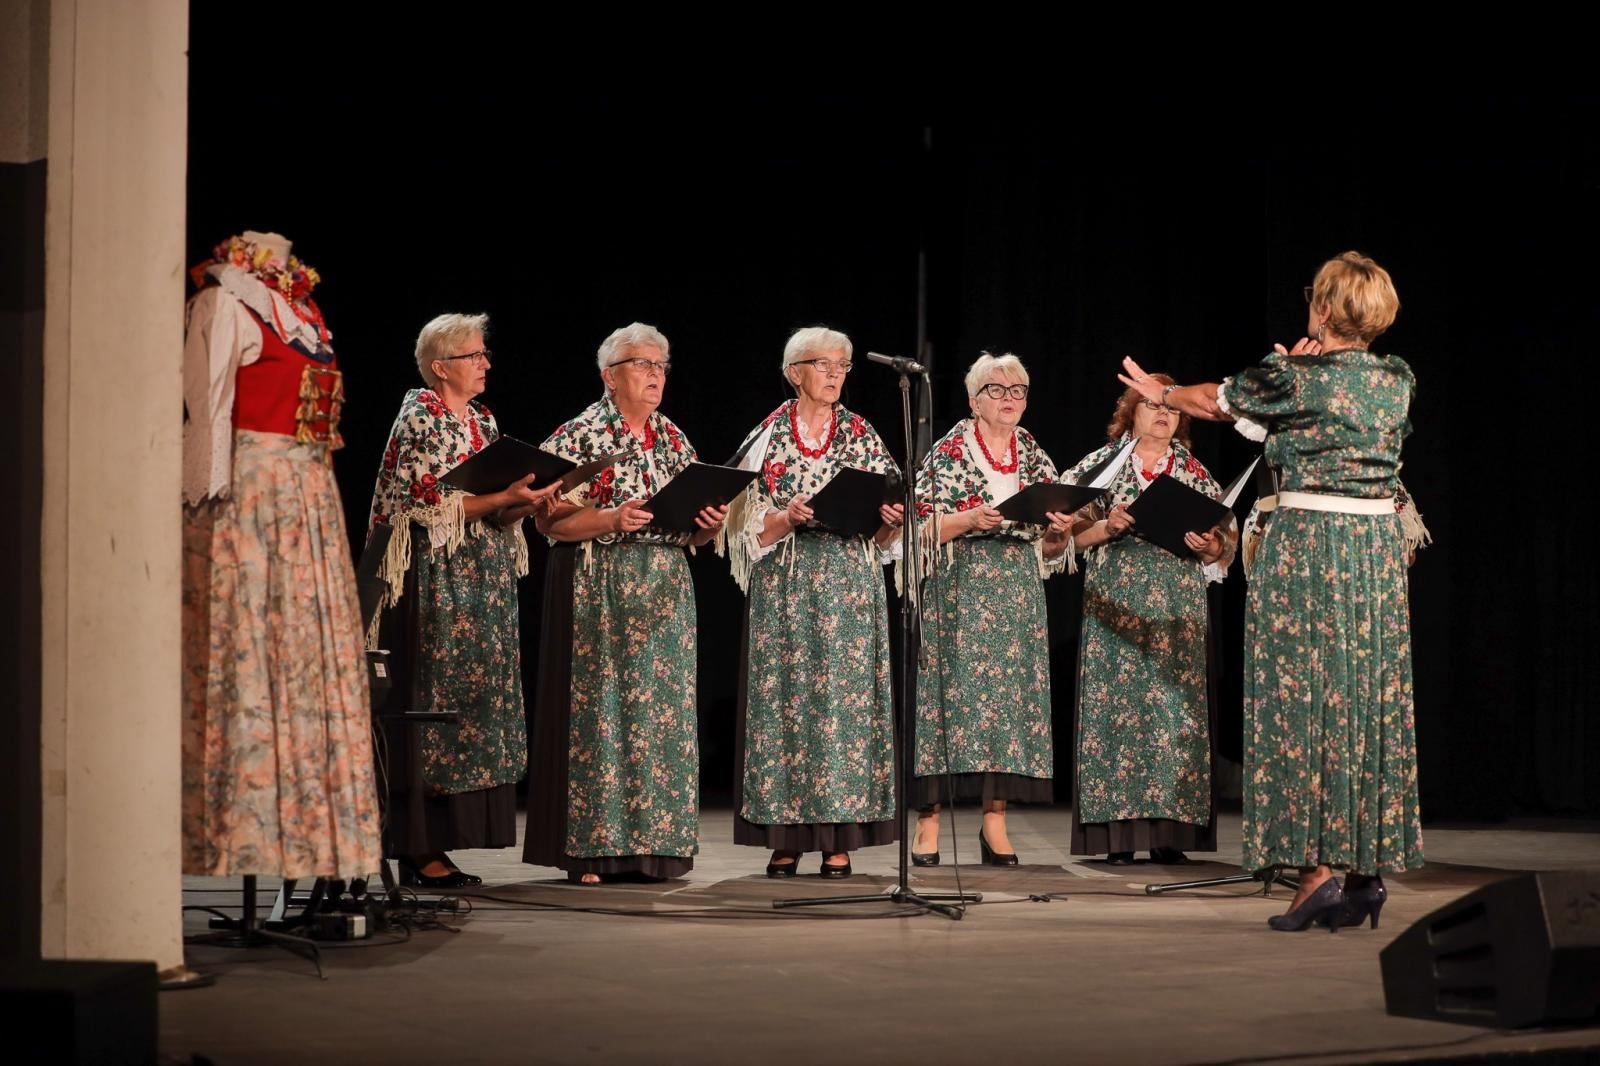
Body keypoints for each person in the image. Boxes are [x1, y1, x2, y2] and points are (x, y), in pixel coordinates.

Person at [1119, 250, 1423, 930]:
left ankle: (1315, 872)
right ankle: (1366, 869)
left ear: (1322, 308)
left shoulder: (1294, 376)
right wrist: (1291, 382)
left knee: (1301, 704)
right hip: (1373, 555)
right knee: (1362, 698)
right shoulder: (1396, 379)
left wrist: (1159, 393)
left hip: (1310, 549)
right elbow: (1317, 420)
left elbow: (1214, 401)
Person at [181, 231, 381, 879]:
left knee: (306, 658)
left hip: (310, 493)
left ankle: (315, 842)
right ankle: (244, 835)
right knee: (253, 652)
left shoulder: (300, 310)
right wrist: (207, 513)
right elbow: (206, 411)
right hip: (252, 491)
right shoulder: (225, 299)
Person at [523, 322, 726, 885]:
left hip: (665, 589)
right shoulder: (579, 435)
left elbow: (694, 533)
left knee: (662, 720)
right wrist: (611, 518)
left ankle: (658, 847)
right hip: (602, 584)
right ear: (610, 376)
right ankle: (593, 849)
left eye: (662, 366)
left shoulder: (674, 438)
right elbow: (550, 521)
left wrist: (708, 526)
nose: (656, 376)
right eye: (643, 365)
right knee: (603, 716)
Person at [368, 312, 557, 888]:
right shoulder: (420, 414)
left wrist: (526, 500)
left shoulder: (481, 419)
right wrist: (499, 496)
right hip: (432, 581)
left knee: (476, 704)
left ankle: (447, 841)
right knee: (432, 699)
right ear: (440, 366)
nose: (486, 364)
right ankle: (417, 845)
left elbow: (492, 507)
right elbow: (421, 507)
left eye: (483, 354)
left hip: (480, 581)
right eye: (474, 356)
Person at [727, 326, 904, 879]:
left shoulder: (861, 433)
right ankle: (787, 837)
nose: (835, 374)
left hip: (850, 586)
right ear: (793, 372)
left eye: (844, 366)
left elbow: (887, 524)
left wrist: (889, 520)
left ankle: (839, 837)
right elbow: (735, 525)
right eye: (824, 364)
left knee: (844, 712)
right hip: (788, 583)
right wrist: (783, 518)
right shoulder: (767, 435)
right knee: (788, 707)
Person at [911, 352, 1074, 866]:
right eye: (998, 390)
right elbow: (918, 530)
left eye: (1018, 391)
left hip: (1015, 594)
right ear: (973, 399)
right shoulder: (949, 452)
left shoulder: (1032, 452)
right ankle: (929, 822)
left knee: (1007, 708)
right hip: (959, 589)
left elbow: (1048, 547)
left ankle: (994, 821)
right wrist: (966, 520)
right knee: (947, 700)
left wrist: (1057, 532)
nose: (1009, 400)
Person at [1064, 374, 1234, 867]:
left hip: (1175, 608)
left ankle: (1168, 832)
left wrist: (1211, 546)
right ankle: (1115, 835)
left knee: (1172, 716)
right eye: (1150, 406)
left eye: (1171, 409)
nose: (1162, 414)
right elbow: (1065, 538)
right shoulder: (1101, 466)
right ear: (1129, 412)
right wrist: (1106, 525)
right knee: (1115, 713)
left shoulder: (1194, 472)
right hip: (1115, 601)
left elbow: (1224, 540)